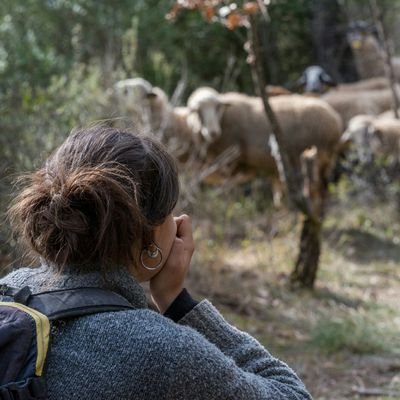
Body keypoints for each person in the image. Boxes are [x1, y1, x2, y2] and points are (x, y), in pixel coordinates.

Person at [0, 126, 312, 400]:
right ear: (150, 233)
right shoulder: (156, 350)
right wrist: (178, 304)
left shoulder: (9, 290)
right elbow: (291, 393)